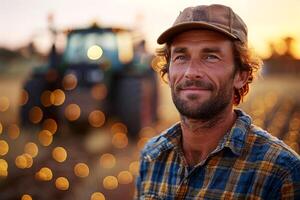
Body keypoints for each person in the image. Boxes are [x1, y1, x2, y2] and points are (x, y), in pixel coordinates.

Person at [135, 4, 300, 199]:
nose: (191, 72)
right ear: (168, 73)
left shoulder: (281, 173)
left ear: (240, 75)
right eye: (181, 57)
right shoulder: (152, 156)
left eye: (211, 57)